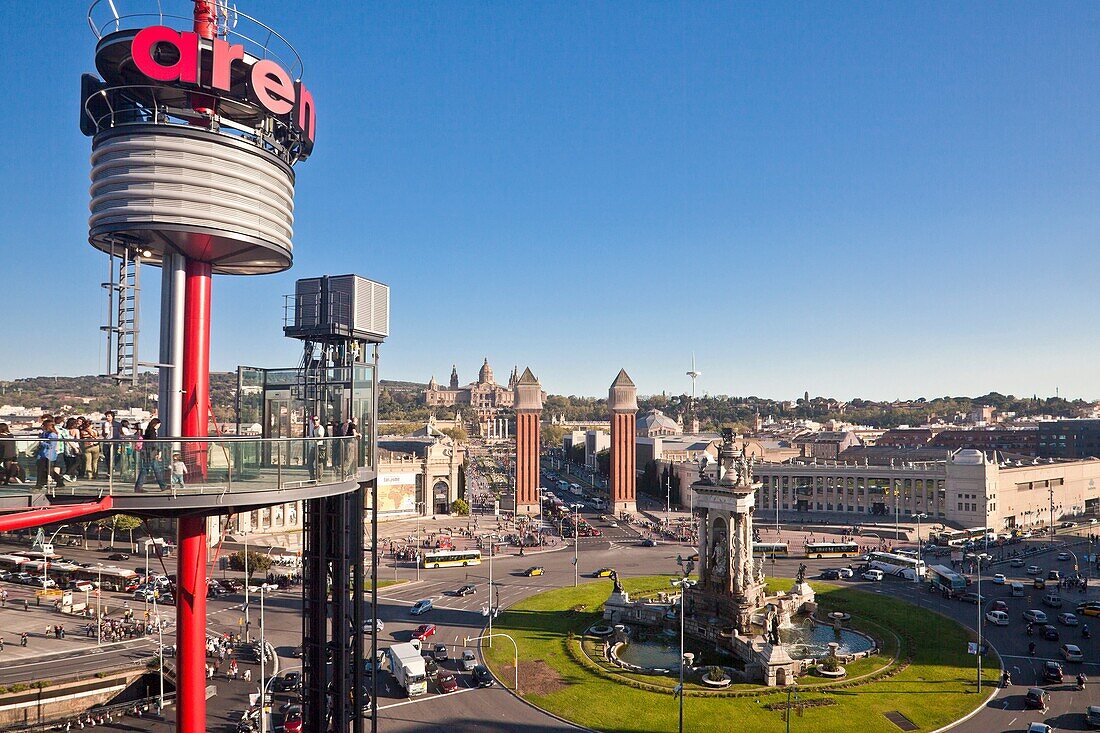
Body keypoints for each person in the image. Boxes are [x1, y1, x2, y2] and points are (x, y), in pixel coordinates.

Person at [134, 419, 166, 492]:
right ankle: (162, 485)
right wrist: (158, 451)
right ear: (155, 424)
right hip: (150, 453)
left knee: (146, 469)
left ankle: (138, 487)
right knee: (154, 469)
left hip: (147, 453)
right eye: (159, 424)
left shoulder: (148, 431)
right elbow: (154, 443)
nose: (159, 426)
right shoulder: (152, 432)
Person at [34, 419, 64, 489]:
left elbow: (51, 446)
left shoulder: (52, 435)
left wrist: (42, 442)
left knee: (46, 470)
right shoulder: (45, 433)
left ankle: (40, 484)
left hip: (48, 455)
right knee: (44, 470)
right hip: (42, 454)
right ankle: (41, 483)